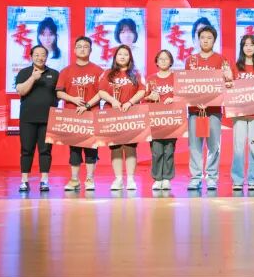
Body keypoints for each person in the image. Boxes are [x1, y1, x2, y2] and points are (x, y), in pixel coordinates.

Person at [186, 24, 232, 193]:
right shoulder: (190, 60)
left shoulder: (221, 60)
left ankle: (212, 177)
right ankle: (195, 178)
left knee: (214, 145)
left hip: (213, 109)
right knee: (195, 145)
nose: (205, 41)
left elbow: (227, 84)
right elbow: (186, 84)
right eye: (202, 38)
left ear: (214, 40)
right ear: (198, 40)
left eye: (209, 38)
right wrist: (196, 100)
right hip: (195, 109)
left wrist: (228, 78)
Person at [55, 36, 104, 191]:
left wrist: (87, 105)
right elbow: (59, 93)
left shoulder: (98, 71)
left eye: (86, 46)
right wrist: (73, 99)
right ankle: (74, 179)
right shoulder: (66, 71)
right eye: (79, 46)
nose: (83, 49)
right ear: (74, 50)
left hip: (92, 114)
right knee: (74, 149)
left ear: (91, 50)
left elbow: (102, 93)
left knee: (91, 148)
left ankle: (90, 179)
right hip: (73, 115)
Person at [98, 44, 147, 191]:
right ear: (115, 57)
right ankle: (118, 179)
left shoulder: (136, 74)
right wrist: (113, 101)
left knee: (130, 147)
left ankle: (131, 179)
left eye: (126, 54)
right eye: (120, 54)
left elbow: (142, 91)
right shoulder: (108, 73)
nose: (123, 57)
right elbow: (101, 91)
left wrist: (130, 102)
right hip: (112, 115)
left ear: (130, 57)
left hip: (131, 114)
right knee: (116, 147)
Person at [15, 45, 58, 193]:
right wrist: (33, 78)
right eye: (37, 55)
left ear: (47, 56)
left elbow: (59, 94)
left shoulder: (54, 74)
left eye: (43, 55)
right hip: (28, 118)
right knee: (26, 150)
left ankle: (44, 181)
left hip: (48, 119)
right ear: (31, 56)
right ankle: (24, 181)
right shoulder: (24, 72)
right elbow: (21, 91)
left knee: (45, 150)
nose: (40, 57)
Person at [231, 34, 254, 192]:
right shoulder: (235, 67)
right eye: (246, 45)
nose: (248, 48)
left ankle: (253, 179)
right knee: (238, 148)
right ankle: (238, 180)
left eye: (251, 45)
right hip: (239, 113)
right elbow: (229, 87)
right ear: (242, 47)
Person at [145, 49, 178, 191]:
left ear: (171, 62)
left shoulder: (176, 78)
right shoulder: (150, 79)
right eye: (160, 58)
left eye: (166, 58)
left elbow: (183, 96)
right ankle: (157, 178)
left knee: (169, 149)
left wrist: (175, 99)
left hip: (172, 119)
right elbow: (143, 98)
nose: (163, 61)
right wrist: (149, 97)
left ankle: (167, 178)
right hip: (155, 120)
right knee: (157, 150)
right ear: (156, 62)